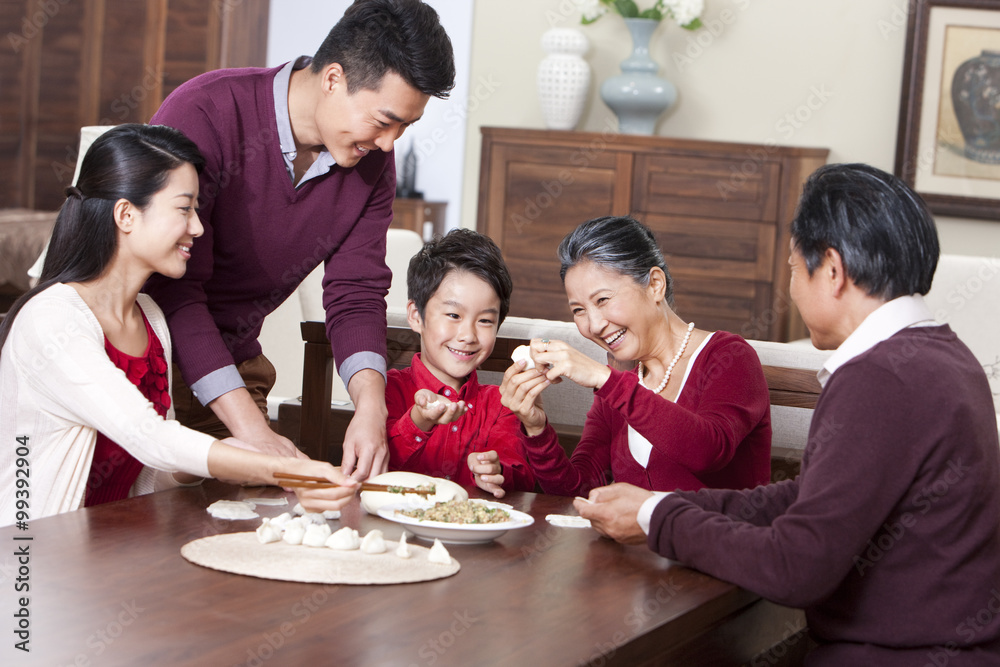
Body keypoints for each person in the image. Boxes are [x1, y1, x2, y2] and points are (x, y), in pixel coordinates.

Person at [576, 164, 1000, 664]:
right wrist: (667, 506)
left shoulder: (879, 378)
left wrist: (655, 516)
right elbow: (809, 498)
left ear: (834, 272)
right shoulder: (946, 356)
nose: (793, 289)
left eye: (796, 269)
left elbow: (797, 566)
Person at [143, 0, 456, 480]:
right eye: (384, 120)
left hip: (231, 367)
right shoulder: (205, 111)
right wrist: (252, 430)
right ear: (333, 79)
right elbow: (174, 289)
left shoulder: (372, 160)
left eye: (405, 128)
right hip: (143, 361)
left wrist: (370, 411)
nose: (391, 143)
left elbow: (356, 292)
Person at [0, 124, 357, 524]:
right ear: (126, 214)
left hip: (110, 551)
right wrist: (287, 469)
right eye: (184, 209)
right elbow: (149, 437)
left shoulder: (150, 315)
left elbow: (150, 474)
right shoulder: (53, 319)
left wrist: (235, 453)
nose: (198, 227)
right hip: (33, 563)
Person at [500, 216, 772, 497]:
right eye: (578, 310)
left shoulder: (730, 357)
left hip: (722, 539)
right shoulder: (621, 383)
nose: (593, 325)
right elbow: (577, 489)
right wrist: (536, 427)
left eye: (603, 300)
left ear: (655, 284)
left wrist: (604, 379)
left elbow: (707, 451)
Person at [385, 229, 535, 498]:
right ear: (416, 315)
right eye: (454, 314)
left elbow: (518, 475)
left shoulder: (501, 405)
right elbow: (378, 468)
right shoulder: (387, 389)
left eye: (485, 320)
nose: (468, 335)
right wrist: (418, 422)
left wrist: (495, 471)